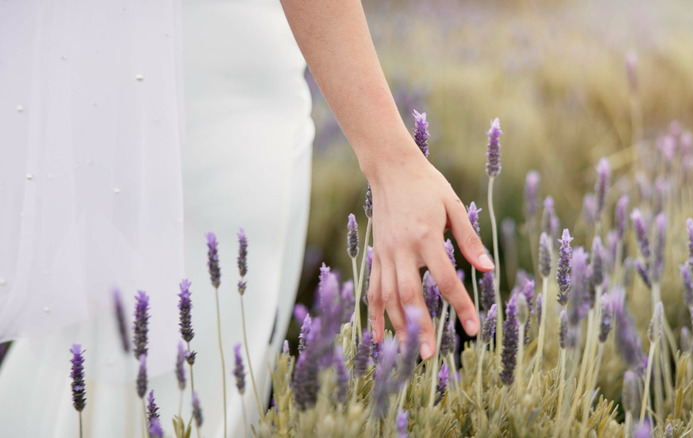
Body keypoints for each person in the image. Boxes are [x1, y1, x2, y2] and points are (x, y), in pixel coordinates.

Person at [0, 0, 492, 436]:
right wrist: (391, 158)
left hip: (126, 95)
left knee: (97, 363)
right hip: (216, 108)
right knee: (158, 381)